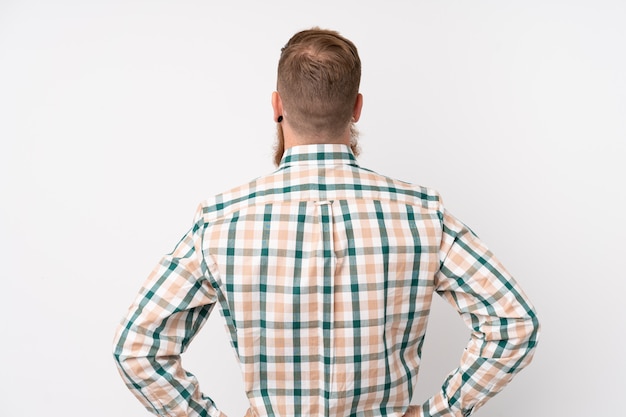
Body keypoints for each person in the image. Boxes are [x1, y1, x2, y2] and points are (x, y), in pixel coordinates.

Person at [113, 27, 540, 417]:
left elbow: (137, 348)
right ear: (356, 107)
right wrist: (442, 413)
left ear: (277, 105)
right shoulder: (420, 211)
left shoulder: (222, 220)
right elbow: (514, 323)